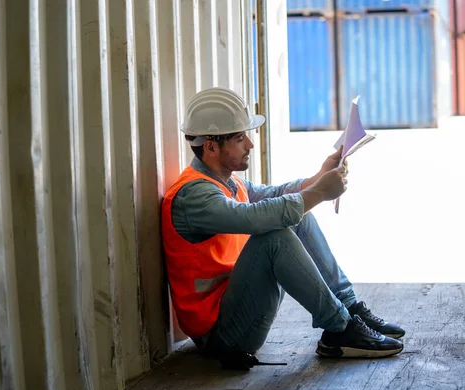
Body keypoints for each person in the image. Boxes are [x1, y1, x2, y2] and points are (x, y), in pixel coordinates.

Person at [161, 87, 405, 363]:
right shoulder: (194, 196)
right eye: (240, 138)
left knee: (297, 214)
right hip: (222, 336)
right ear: (211, 146)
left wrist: (317, 179)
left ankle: (349, 311)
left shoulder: (226, 183)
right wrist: (319, 193)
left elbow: (275, 197)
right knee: (274, 236)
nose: (250, 145)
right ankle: (340, 328)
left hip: (235, 311)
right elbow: (253, 218)